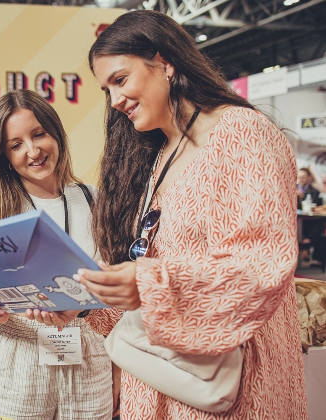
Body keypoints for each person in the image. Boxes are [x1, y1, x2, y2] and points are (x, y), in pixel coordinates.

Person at [74, 10, 307, 419]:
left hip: (231, 386)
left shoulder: (242, 133)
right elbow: (149, 269)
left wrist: (148, 284)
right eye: (106, 89)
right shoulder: (158, 156)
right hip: (160, 380)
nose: (115, 101)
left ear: (164, 63)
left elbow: (262, 263)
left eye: (120, 80)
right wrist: (85, 299)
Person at [0, 89, 114, 419]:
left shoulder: (93, 200)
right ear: (3, 154)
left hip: (88, 361)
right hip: (15, 360)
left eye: (39, 134)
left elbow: (113, 292)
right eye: (15, 145)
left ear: (56, 133)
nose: (33, 151)